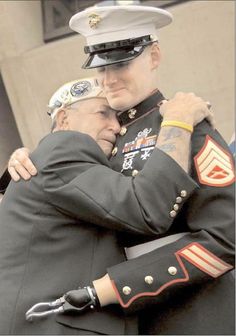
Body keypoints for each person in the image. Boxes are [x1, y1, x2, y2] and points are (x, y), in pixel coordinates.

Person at [6, 5, 235, 335]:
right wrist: (27, 156)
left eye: (122, 62)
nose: (109, 78)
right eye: (101, 66)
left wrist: (119, 286)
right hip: (119, 322)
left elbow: (226, 239)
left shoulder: (186, 126)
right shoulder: (98, 141)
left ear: (154, 56)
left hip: (192, 313)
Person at [0, 76, 212, 335]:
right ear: (64, 119)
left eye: (120, 118)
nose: (116, 127)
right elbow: (147, 208)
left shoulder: (53, 162)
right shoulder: (64, 147)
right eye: (103, 113)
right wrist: (178, 122)